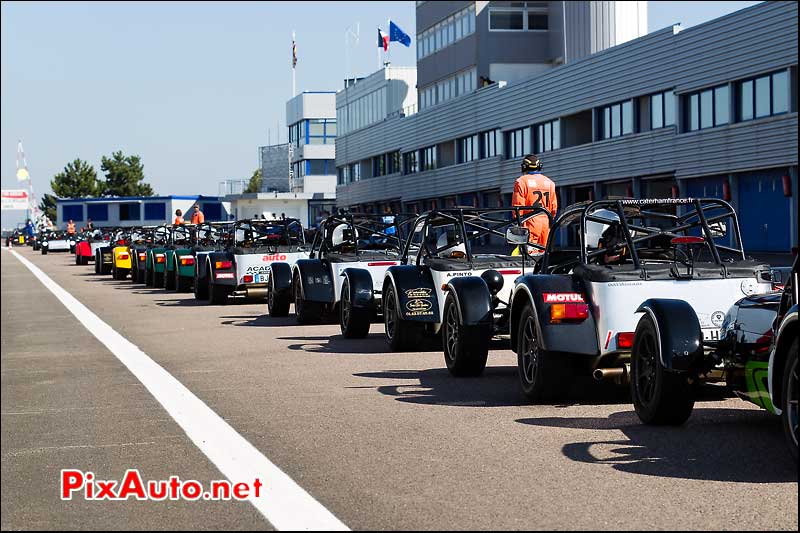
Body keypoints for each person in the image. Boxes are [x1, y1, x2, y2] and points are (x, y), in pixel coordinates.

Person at [511, 154, 557, 248]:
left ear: (524, 167)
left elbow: (518, 207)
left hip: (530, 221)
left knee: (529, 253)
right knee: (544, 253)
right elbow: (554, 208)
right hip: (546, 221)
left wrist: (518, 223)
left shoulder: (521, 182)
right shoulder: (550, 183)